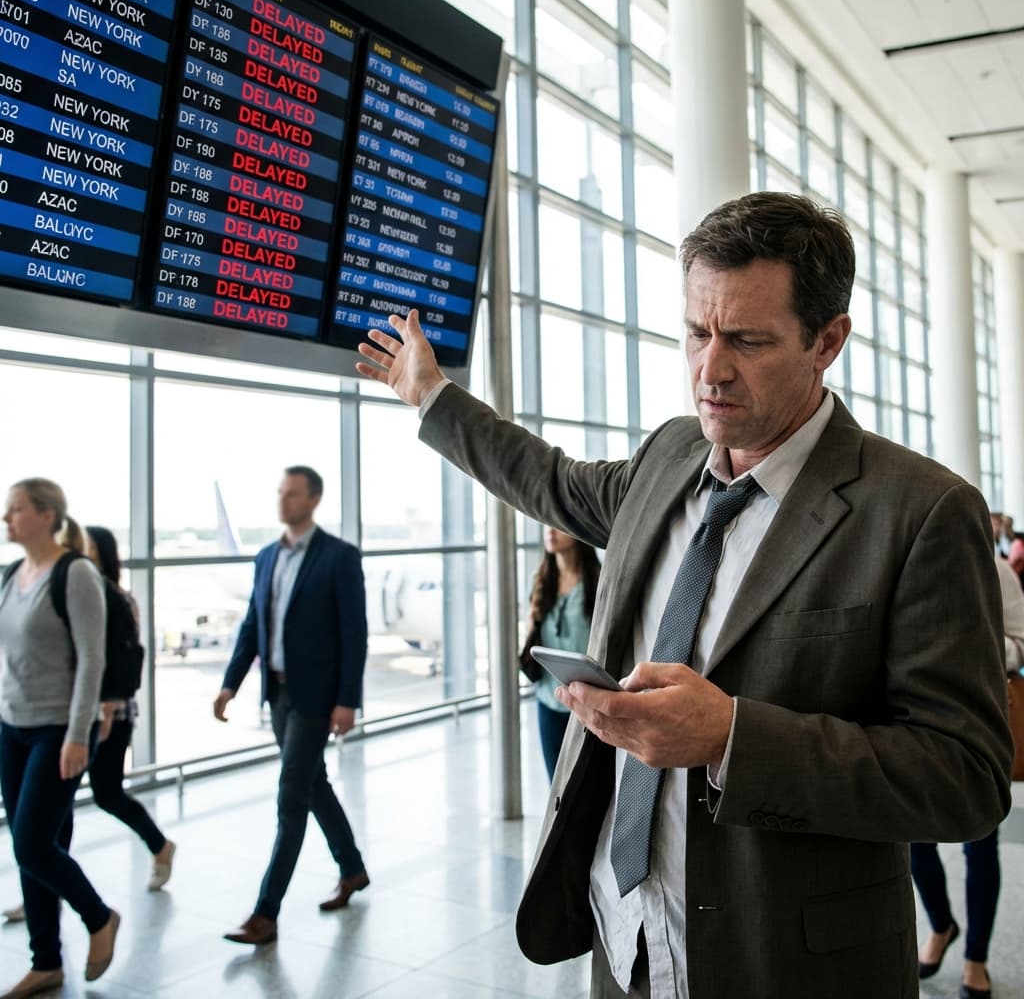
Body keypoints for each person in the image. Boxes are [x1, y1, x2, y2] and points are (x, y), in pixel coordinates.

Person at [355, 191, 1013, 999]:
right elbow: (549, 479)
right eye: (698, 333)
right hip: (621, 935)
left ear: (827, 341)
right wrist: (432, 397)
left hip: (782, 962)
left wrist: (731, 737)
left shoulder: (919, 512)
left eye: (747, 340)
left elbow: (967, 777)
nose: (711, 370)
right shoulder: (669, 456)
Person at [214, 466, 369, 945]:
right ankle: (352, 868)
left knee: (291, 797)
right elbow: (250, 627)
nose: (283, 501)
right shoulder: (265, 557)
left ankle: (265, 913)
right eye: (280, 493)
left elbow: (353, 634)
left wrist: (347, 702)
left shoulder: (338, 557)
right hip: (277, 693)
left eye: (293, 494)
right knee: (312, 784)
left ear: (314, 499)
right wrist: (230, 684)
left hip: (316, 698)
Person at [0, 479, 120, 998]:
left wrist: (78, 734)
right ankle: (45, 961)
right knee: (37, 847)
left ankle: (99, 917)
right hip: (12, 728)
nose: (6, 519)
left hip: (58, 730)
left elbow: (93, 658)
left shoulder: (76, 574)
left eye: (16, 510)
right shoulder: (10, 576)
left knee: (31, 845)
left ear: (46, 516)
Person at [910, 553, 1024, 999]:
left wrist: (970, 643)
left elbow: (1020, 641)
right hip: (914, 719)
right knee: (915, 839)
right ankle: (941, 926)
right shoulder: (906, 552)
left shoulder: (992, 568)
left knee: (981, 842)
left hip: (981, 721)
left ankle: (976, 958)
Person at [85, 526, 176, 889]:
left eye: (88, 549)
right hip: (77, 712)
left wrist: (106, 709)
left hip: (112, 712)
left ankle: (160, 845)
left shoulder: (117, 600)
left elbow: (123, 662)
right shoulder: (80, 595)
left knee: (106, 792)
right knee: (54, 808)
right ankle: (44, 889)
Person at [521, 527, 601, 780]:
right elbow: (531, 637)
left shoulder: (598, 582)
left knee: (587, 786)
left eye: (557, 524)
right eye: (545, 524)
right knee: (555, 784)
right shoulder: (540, 580)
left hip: (588, 701)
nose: (550, 530)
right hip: (549, 698)